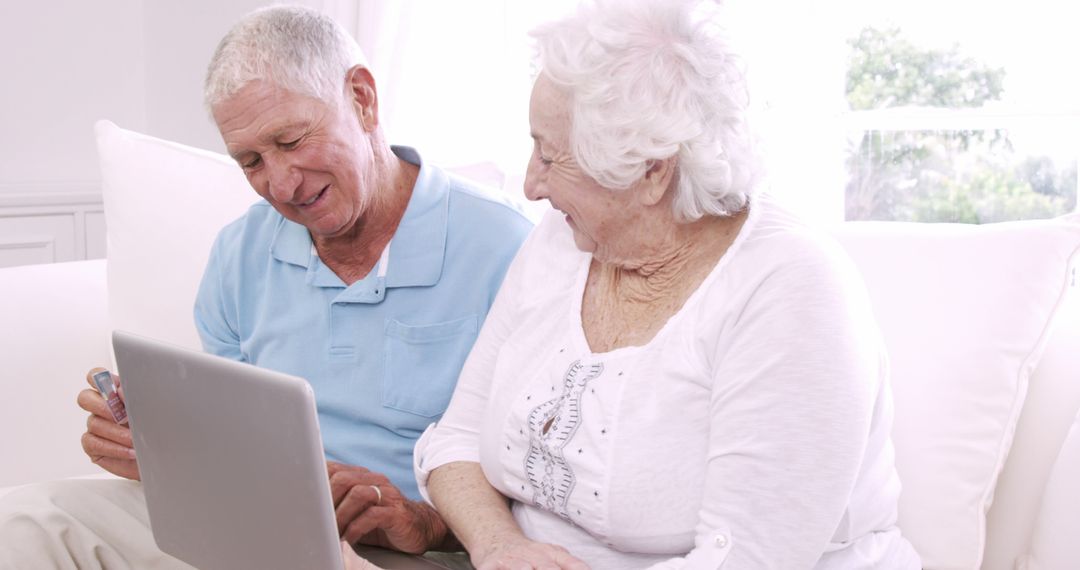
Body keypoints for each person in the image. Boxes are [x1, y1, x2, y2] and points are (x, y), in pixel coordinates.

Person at [0, 5, 531, 568]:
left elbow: (548, 484)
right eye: (251, 160)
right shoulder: (239, 253)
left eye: (292, 139)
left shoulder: (506, 248)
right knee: (28, 519)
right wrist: (163, 451)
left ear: (362, 98)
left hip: (410, 550)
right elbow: (234, 441)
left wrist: (421, 523)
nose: (280, 184)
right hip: (252, 523)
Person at [412, 0, 923, 568]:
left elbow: (744, 560)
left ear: (653, 170)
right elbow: (457, 440)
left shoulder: (791, 291)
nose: (531, 184)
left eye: (553, 157)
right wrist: (501, 546)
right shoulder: (564, 238)